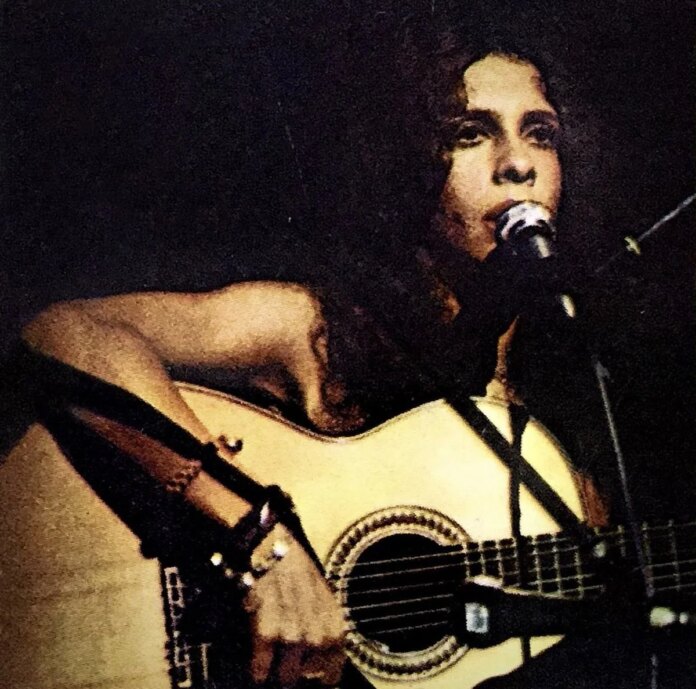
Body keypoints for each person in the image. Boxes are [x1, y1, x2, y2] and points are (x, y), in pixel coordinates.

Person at [6, 33, 672, 689]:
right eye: (471, 133)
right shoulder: (315, 329)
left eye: (541, 134)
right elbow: (66, 332)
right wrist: (261, 540)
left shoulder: (572, 407)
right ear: (409, 164)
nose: (517, 163)